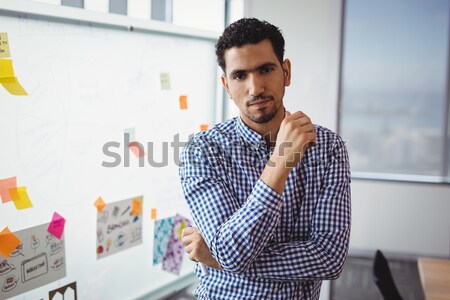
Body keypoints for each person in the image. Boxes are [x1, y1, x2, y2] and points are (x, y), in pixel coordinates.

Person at [179, 17, 351, 300]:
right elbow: (232, 253)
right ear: (226, 85)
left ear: (286, 72)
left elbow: (329, 258)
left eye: (266, 69)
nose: (255, 88)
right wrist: (279, 164)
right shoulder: (202, 150)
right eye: (240, 76)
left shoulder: (328, 147)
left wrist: (217, 257)